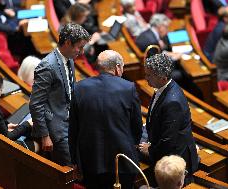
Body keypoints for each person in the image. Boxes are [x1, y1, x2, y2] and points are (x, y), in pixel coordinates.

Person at [69, 50, 143, 189]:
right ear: (117, 68)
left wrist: (75, 160)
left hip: (90, 161)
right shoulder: (128, 88)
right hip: (121, 161)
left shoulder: (79, 88)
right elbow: (137, 127)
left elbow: (73, 128)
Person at [29, 23, 90, 166]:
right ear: (68, 43)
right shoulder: (47, 66)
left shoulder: (69, 60)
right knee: (69, 169)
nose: (81, 51)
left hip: (70, 122)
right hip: (56, 129)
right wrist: (45, 135)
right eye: (79, 47)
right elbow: (36, 104)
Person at [138, 53, 199, 185]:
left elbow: (168, 140)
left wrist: (150, 150)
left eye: (149, 75)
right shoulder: (163, 87)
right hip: (162, 146)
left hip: (176, 160)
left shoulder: (172, 101)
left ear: (163, 78)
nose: (145, 78)